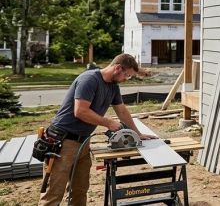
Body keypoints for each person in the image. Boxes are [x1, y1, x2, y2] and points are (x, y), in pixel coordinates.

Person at [39, 53, 157, 206]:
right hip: (62, 142)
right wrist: (107, 122)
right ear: (118, 68)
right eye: (127, 75)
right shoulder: (89, 80)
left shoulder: (113, 86)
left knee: (79, 191)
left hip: (83, 143)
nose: (126, 79)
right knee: (53, 194)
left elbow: (122, 111)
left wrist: (138, 134)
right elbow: (80, 111)